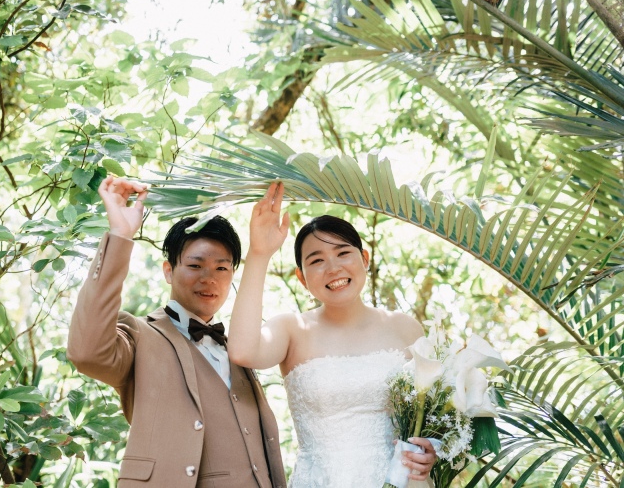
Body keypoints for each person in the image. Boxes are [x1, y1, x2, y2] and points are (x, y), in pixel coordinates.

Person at [67, 176, 286, 488]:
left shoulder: (240, 346)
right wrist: (120, 234)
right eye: (195, 266)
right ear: (168, 270)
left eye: (221, 268)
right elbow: (86, 352)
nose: (209, 279)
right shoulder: (140, 335)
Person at [228, 182, 437, 487]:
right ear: (301, 277)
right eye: (316, 260)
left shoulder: (405, 327)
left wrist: (432, 451)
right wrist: (260, 253)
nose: (333, 268)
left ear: (364, 259)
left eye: (343, 253)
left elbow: (433, 420)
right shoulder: (291, 329)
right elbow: (243, 351)